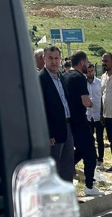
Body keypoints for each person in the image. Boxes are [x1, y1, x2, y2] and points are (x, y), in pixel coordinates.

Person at [64, 51, 100, 196]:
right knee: (91, 152)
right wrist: (91, 104)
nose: (87, 64)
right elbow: (85, 101)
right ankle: (89, 185)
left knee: (80, 150)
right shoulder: (79, 77)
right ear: (81, 62)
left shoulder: (64, 75)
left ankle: (65, 167)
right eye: (86, 62)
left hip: (68, 120)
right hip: (80, 119)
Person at [39, 46, 73, 182]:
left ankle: (67, 196)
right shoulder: (41, 79)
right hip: (53, 130)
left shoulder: (62, 78)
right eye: (50, 58)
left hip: (67, 126)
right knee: (53, 166)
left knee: (68, 163)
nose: (54, 62)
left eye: (56, 58)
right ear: (44, 59)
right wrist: (47, 133)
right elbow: (40, 108)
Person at [86, 63, 104, 163]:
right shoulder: (83, 83)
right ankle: (93, 156)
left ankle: (101, 158)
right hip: (88, 115)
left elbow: (102, 99)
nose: (90, 73)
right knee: (90, 138)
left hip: (98, 115)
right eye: (88, 71)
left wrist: (102, 113)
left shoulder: (99, 83)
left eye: (92, 71)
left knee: (100, 139)